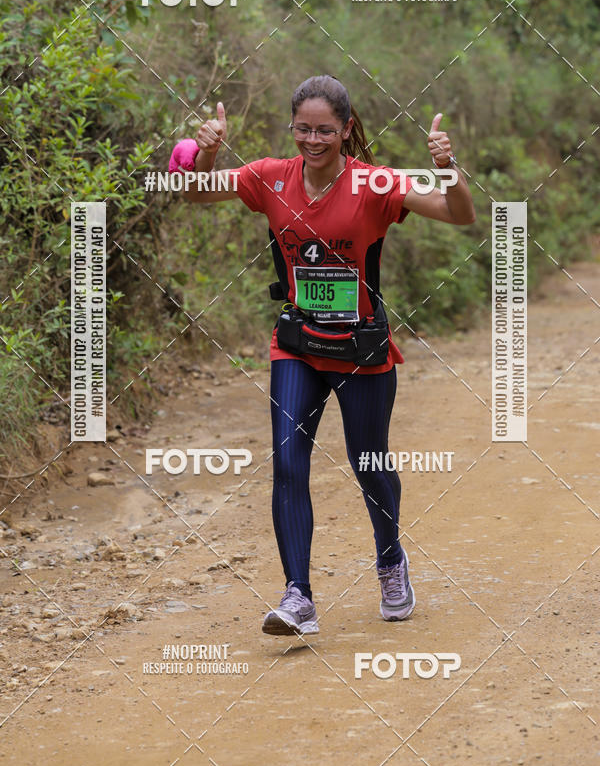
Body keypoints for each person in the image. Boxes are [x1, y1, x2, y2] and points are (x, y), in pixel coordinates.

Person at [169, 74, 475, 636]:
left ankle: (390, 562)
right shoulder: (268, 177)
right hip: (298, 345)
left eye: (325, 131)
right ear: (292, 127)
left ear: (346, 129)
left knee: (370, 466)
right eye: (304, 129)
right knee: (287, 465)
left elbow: (460, 215)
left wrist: (447, 168)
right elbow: (189, 190)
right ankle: (298, 597)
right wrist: (206, 152)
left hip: (360, 349)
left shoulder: (375, 183)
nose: (313, 140)